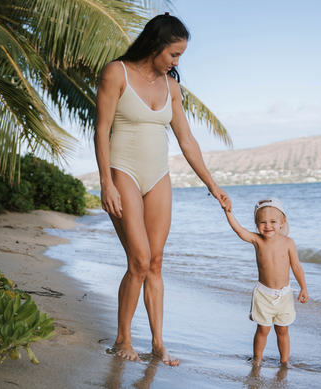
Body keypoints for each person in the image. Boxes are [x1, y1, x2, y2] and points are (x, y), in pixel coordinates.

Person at [94, 13, 231, 366]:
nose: (177, 61)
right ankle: (122, 338)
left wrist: (213, 185)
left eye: (180, 56)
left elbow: (186, 140)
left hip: (158, 176)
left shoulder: (171, 85)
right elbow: (102, 129)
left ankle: (157, 343)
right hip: (123, 171)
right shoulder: (116, 72)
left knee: (155, 262)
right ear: (156, 45)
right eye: (174, 54)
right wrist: (106, 182)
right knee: (138, 260)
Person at [224, 198, 308, 367]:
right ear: (256, 223)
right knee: (263, 329)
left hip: (284, 295)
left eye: (273, 222)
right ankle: (257, 359)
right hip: (263, 294)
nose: (267, 226)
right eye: (262, 222)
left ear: (282, 222)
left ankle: (285, 362)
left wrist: (303, 287)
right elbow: (239, 230)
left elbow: (296, 266)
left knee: (282, 330)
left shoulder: (288, 243)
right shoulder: (257, 240)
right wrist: (228, 212)